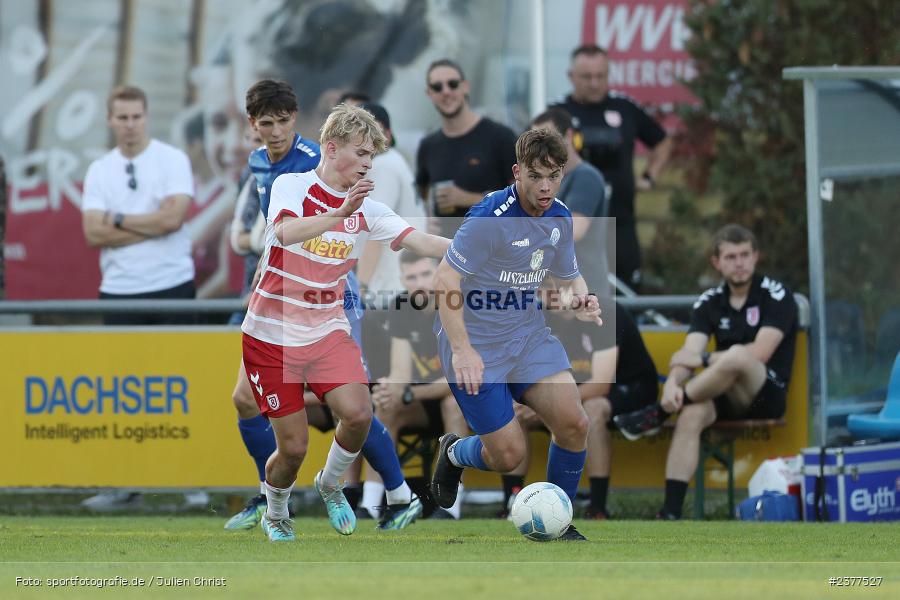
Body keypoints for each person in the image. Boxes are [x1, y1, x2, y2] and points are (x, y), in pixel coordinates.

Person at [224, 80, 433, 535]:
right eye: (362, 155)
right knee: (292, 446)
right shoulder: (290, 182)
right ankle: (275, 510)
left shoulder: (367, 206)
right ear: (332, 148)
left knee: (358, 412)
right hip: (271, 333)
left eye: (372, 158)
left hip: (326, 325)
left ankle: (333, 483)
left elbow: (419, 239)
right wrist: (340, 213)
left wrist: (478, 251)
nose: (367, 165)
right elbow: (282, 233)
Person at [428, 128, 602, 542]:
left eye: (554, 176)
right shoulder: (490, 219)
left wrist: (581, 300)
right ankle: (454, 452)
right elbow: (444, 281)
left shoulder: (558, 216)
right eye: (536, 176)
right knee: (509, 456)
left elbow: (569, 279)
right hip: (476, 347)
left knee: (575, 423)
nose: (545, 187)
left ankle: (558, 521)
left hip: (527, 337)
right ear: (516, 172)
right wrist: (463, 350)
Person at [614, 224, 798, 520]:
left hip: (766, 392)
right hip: (724, 391)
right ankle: (670, 513)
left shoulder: (776, 295)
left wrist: (702, 358)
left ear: (755, 257)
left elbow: (760, 352)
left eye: (744, 255)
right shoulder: (710, 300)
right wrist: (674, 383)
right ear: (717, 262)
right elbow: (687, 353)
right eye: (730, 257)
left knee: (738, 355)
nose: (739, 263)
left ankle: (658, 414)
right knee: (690, 414)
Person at [503, 299, 659, 520]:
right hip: (573, 392)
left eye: (563, 284)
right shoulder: (536, 317)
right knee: (518, 411)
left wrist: (546, 408)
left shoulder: (604, 312)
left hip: (630, 388)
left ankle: (598, 508)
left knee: (592, 410)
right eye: (549, 285)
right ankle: (511, 501)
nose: (557, 292)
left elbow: (601, 384)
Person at [553, 45, 673, 290]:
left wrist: (649, 177)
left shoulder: (624, 108)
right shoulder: (557, 114)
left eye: (601, 76)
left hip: (621, 224)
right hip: (576, 226)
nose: (594, 83)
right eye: (586, 77)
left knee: (627, 294)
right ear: (571, 76)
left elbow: (663, 142)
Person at [365, 252, 468, 519]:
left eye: (425, 274)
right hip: (421, 403)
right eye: (412, 277)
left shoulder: (459, 304)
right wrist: (390, 389)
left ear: (438, 274)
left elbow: (459, 380)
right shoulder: (401, 306)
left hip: (468, 401)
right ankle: (370, 504)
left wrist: (408, 392)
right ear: (403, 280)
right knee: (385, 405)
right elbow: (400, 371)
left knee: (453, 403)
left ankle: (450, 508)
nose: (420, 282)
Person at [81, 85, 196, 326]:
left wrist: (117, 219)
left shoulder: (173, 159)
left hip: (173, 284)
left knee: (177, 364)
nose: (130, 124)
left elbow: (172, 220)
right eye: (123, 117)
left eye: (136, 117)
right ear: (110, 120)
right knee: (123, 365)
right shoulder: (99, 170)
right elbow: (93, 234)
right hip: (119, 288)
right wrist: (155, 224)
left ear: (146, 117)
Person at [415, 59, 517, 237]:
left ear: (465, 87)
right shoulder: (428, 145)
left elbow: (523, 200)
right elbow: (419, 198)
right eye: (438, 87)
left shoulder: (501, 137)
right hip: (447, 254)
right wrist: (424, 222)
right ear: (429, 93)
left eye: (453, 84)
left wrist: (470, 199)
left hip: (496, 252)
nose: (446, 91)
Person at [531, 107, 610, 297]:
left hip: (585, 294)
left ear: (567, 135)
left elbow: (574, 230)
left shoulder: (586, 177)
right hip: (556, 294)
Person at [355, 102, 426, 304]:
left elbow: (374, 233)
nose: (367, 139)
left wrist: (360, 288)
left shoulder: (382, 167)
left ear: (387, 133)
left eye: (373, 130)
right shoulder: (392, 160)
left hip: (388, 288)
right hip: (403, 283)